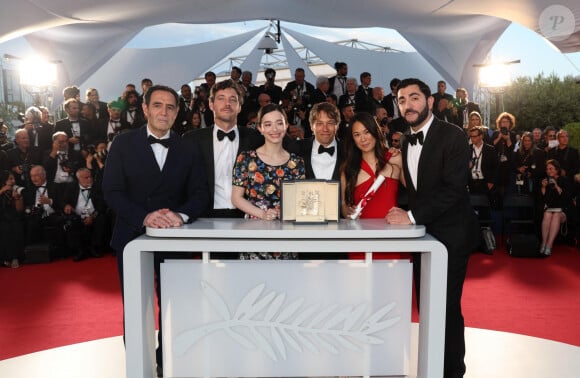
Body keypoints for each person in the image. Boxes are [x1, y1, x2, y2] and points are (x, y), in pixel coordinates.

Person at [102, 84, 209, 376]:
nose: (164, 112)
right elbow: (111, 191)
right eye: (158, 105)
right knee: (136, 303)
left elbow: (201, 193)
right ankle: (138, 361)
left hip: (175, 237)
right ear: (146, 109)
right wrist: (145, 216)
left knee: (174, 304)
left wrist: (181, 215)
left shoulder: (188, 147)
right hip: (131, 235)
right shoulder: (123, 143)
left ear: (177, 112)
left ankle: (169, 359)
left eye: (171, 107)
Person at [386, 78, 479, 378]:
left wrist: (411, 216)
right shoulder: (403, 139)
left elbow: (454, 189)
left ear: (428, 101)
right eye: (401, 100)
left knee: (447, 306)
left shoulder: (452, 135)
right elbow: (416, 188)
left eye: (414, 97)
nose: (407, 105)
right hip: (421, 238)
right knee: (427, 306)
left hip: (450, 236)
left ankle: (453, 372)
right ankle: (432, 365)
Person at [231, 103, 305, 259]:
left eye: (279, 123)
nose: (275, 129)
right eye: (268, 124)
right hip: (254, 235)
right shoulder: (245, 158)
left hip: (287, 238)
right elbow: (236, 198)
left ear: (286, 126)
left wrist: (284, 211)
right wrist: (262, 214)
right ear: (260, 128)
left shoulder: (297, 162)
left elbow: (300, 200)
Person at [539, 159, 573, 256]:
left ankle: (549, 245)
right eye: (547, 169)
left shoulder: (565, 180)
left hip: (563, 211)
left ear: (557, 169)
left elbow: (567, 198)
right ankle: (544, 243)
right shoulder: (545, 181)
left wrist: (557, 186)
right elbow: (542, 200)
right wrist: (543, 187)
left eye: (551, 169)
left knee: (556, 214)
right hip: (549, 210)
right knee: (548, 214)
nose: (549, 171)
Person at [0, 170, 25, 268]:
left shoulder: (17, 189)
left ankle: (15, 257)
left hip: (14, 217)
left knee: (14, 226)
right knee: (3, 227)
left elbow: (20, 209)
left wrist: (17, 198)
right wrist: (2, 190)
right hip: (2, 217)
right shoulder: (2, 190)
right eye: (10, 179)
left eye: (13, 178)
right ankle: (4, 258)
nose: (13, 181)